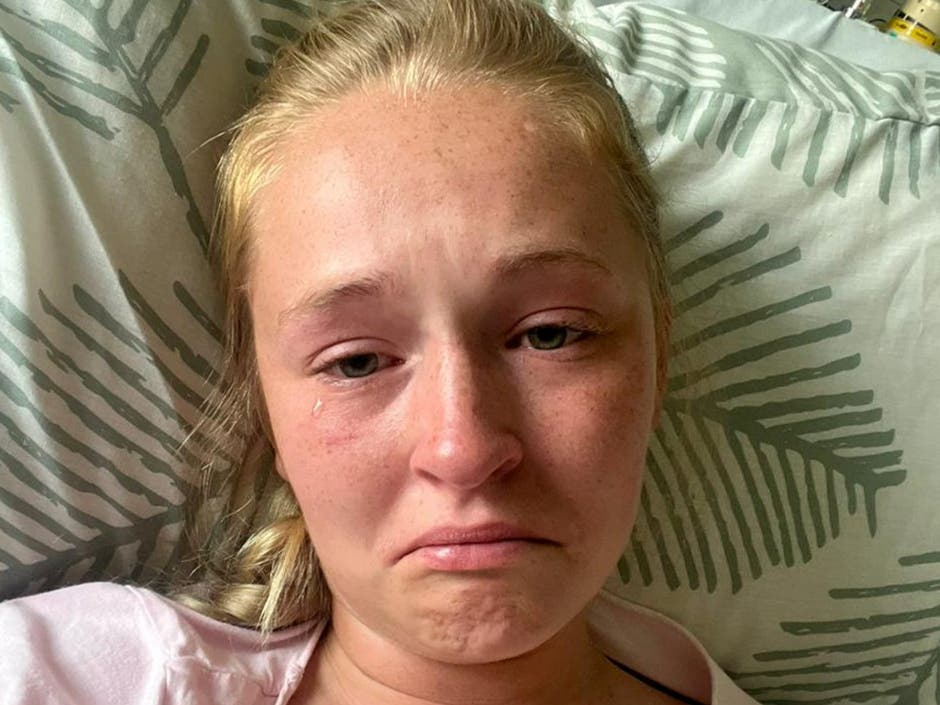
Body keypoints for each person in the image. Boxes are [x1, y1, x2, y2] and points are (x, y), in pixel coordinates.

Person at [0, 1, 759, 703]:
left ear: (658, 358)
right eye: (356, 362)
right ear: (267, 411)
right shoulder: (66, 676)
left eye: (550, 333)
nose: (462, 450)